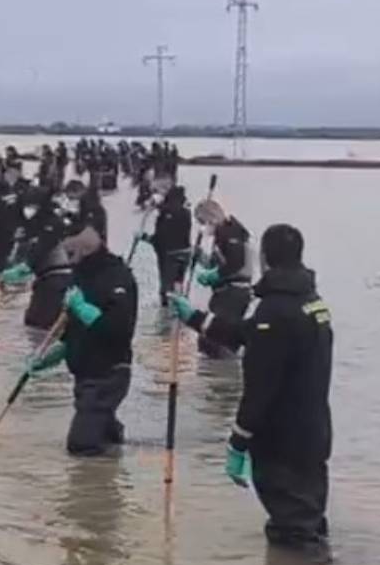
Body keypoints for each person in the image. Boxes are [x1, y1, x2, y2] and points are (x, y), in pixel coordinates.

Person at [169, 224, 333, 553]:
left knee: (293, 532)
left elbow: (260, 386)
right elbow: (247, 334)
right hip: (313, 433)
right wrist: (197, 319)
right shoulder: (311, 302)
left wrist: (238, 440)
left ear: (266, 259)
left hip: (282, 440)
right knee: (308, 517)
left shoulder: (275, 312)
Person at [28, 223, 138, 456]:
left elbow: (118, 329)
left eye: (71, 254)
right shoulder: (79, 276)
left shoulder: (118, 277)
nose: (67, 261)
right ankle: (113, 469)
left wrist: (84, 309)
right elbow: (72, 331)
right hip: (84, 372)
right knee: (102, 435)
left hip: (108, 372)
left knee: (81, 445)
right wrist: (50, 357)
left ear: (87, 249)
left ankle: (94, 487)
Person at [0, 190, 77, 330]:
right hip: (44, 279)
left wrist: (25, 266)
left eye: (33, 206)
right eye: (27, 205)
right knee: (32, 321)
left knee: (42, 322)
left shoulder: (52, 224)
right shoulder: (34, 223)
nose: (29, 210)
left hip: (57, 279)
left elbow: (42, 247)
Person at [192, 199, 254, 358]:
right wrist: (201, 257)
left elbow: (236, 263)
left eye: (202, 222)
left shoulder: (230, 232)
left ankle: (223, 374)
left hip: (233, 294)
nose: (202, 227)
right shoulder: (224, 234)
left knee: (214, 338)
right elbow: (219, 263)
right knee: (212, 340)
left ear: (210, 218)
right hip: (228, 293)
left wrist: (214, 276)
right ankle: (218, 377)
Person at [136, 175, 191, 305]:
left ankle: (166, 311)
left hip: (169, 255)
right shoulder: (185, 212)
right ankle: (179, 311)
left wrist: (145, 238)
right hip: (185, 253)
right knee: (178, 283)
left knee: (166, 288)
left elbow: (161, 238)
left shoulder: (165, 213)